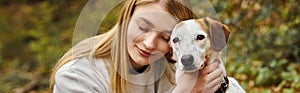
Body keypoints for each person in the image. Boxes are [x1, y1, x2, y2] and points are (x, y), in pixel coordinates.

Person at [49, 0, 224, 92]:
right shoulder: (76, 77)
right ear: (126, 16)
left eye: (165, 37)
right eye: (143, 27)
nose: (149, 44)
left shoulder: (174, 70)